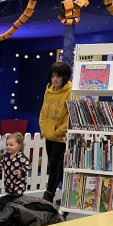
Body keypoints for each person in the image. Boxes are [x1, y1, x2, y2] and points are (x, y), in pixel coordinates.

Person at [39, 62, 72, 203]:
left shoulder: (71, 92)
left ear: (64, 77)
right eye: (53, 76)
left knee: (53, 165)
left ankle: (48, 196)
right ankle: (66, 195)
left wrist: (59, 131)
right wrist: (43, 126)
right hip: (49, 134)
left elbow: (71, 116)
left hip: (61, 137)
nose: (55, 79)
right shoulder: (48, 90)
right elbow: (43, 109)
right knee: (56, 166)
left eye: (58, 76)